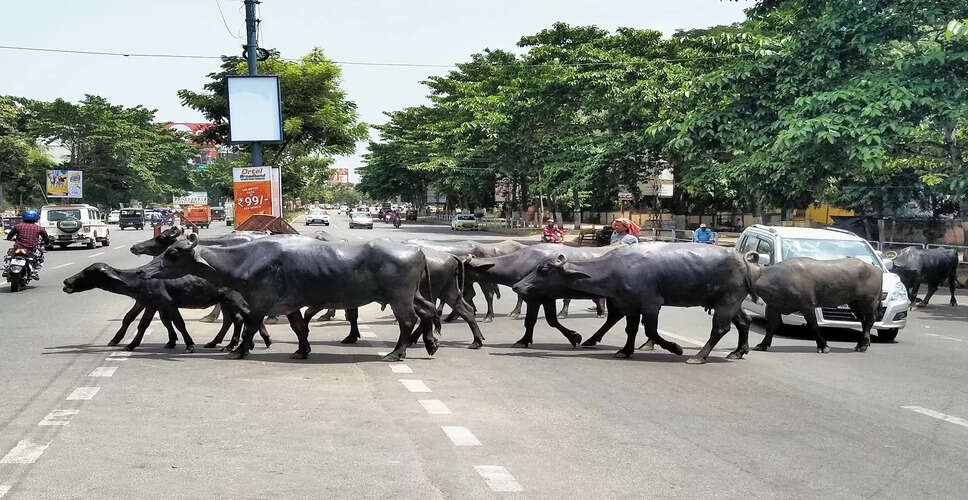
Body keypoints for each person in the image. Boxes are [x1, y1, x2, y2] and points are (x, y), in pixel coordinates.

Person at [6, 209, 50, 279]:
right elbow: (46, 239)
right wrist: (47, 243)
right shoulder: (40, 228)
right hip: (31, 249)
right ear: (36, 218)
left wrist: (9, 238)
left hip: (18, 248)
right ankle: (34, 271)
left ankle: (7, 267)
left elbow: (9, 236)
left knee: (9, 254)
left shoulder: (18, 226)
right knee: (39, 257)